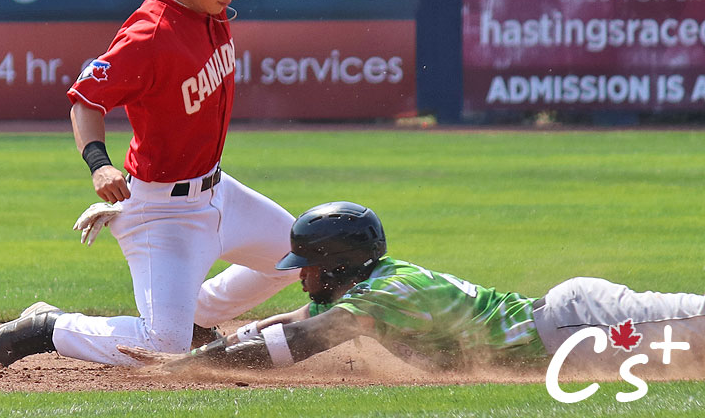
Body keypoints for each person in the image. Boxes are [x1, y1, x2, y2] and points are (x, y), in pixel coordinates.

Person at [0, 0, 297, 368]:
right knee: (161, 347)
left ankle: (201, 315)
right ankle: (49, 327)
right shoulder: (148, 37)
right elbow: (85, 99)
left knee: (304, 252)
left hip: (218, 191)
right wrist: (99, 163)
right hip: (162, 213)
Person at [117, 201, 705, 374]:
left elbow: (296, 345)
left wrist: (186, 368)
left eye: (308, 264)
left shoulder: (382, 296)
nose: (299, 275)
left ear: (340, 264)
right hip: (567, 331)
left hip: (575, 326)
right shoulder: (373, 287)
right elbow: (291, 324)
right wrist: (205, 350)